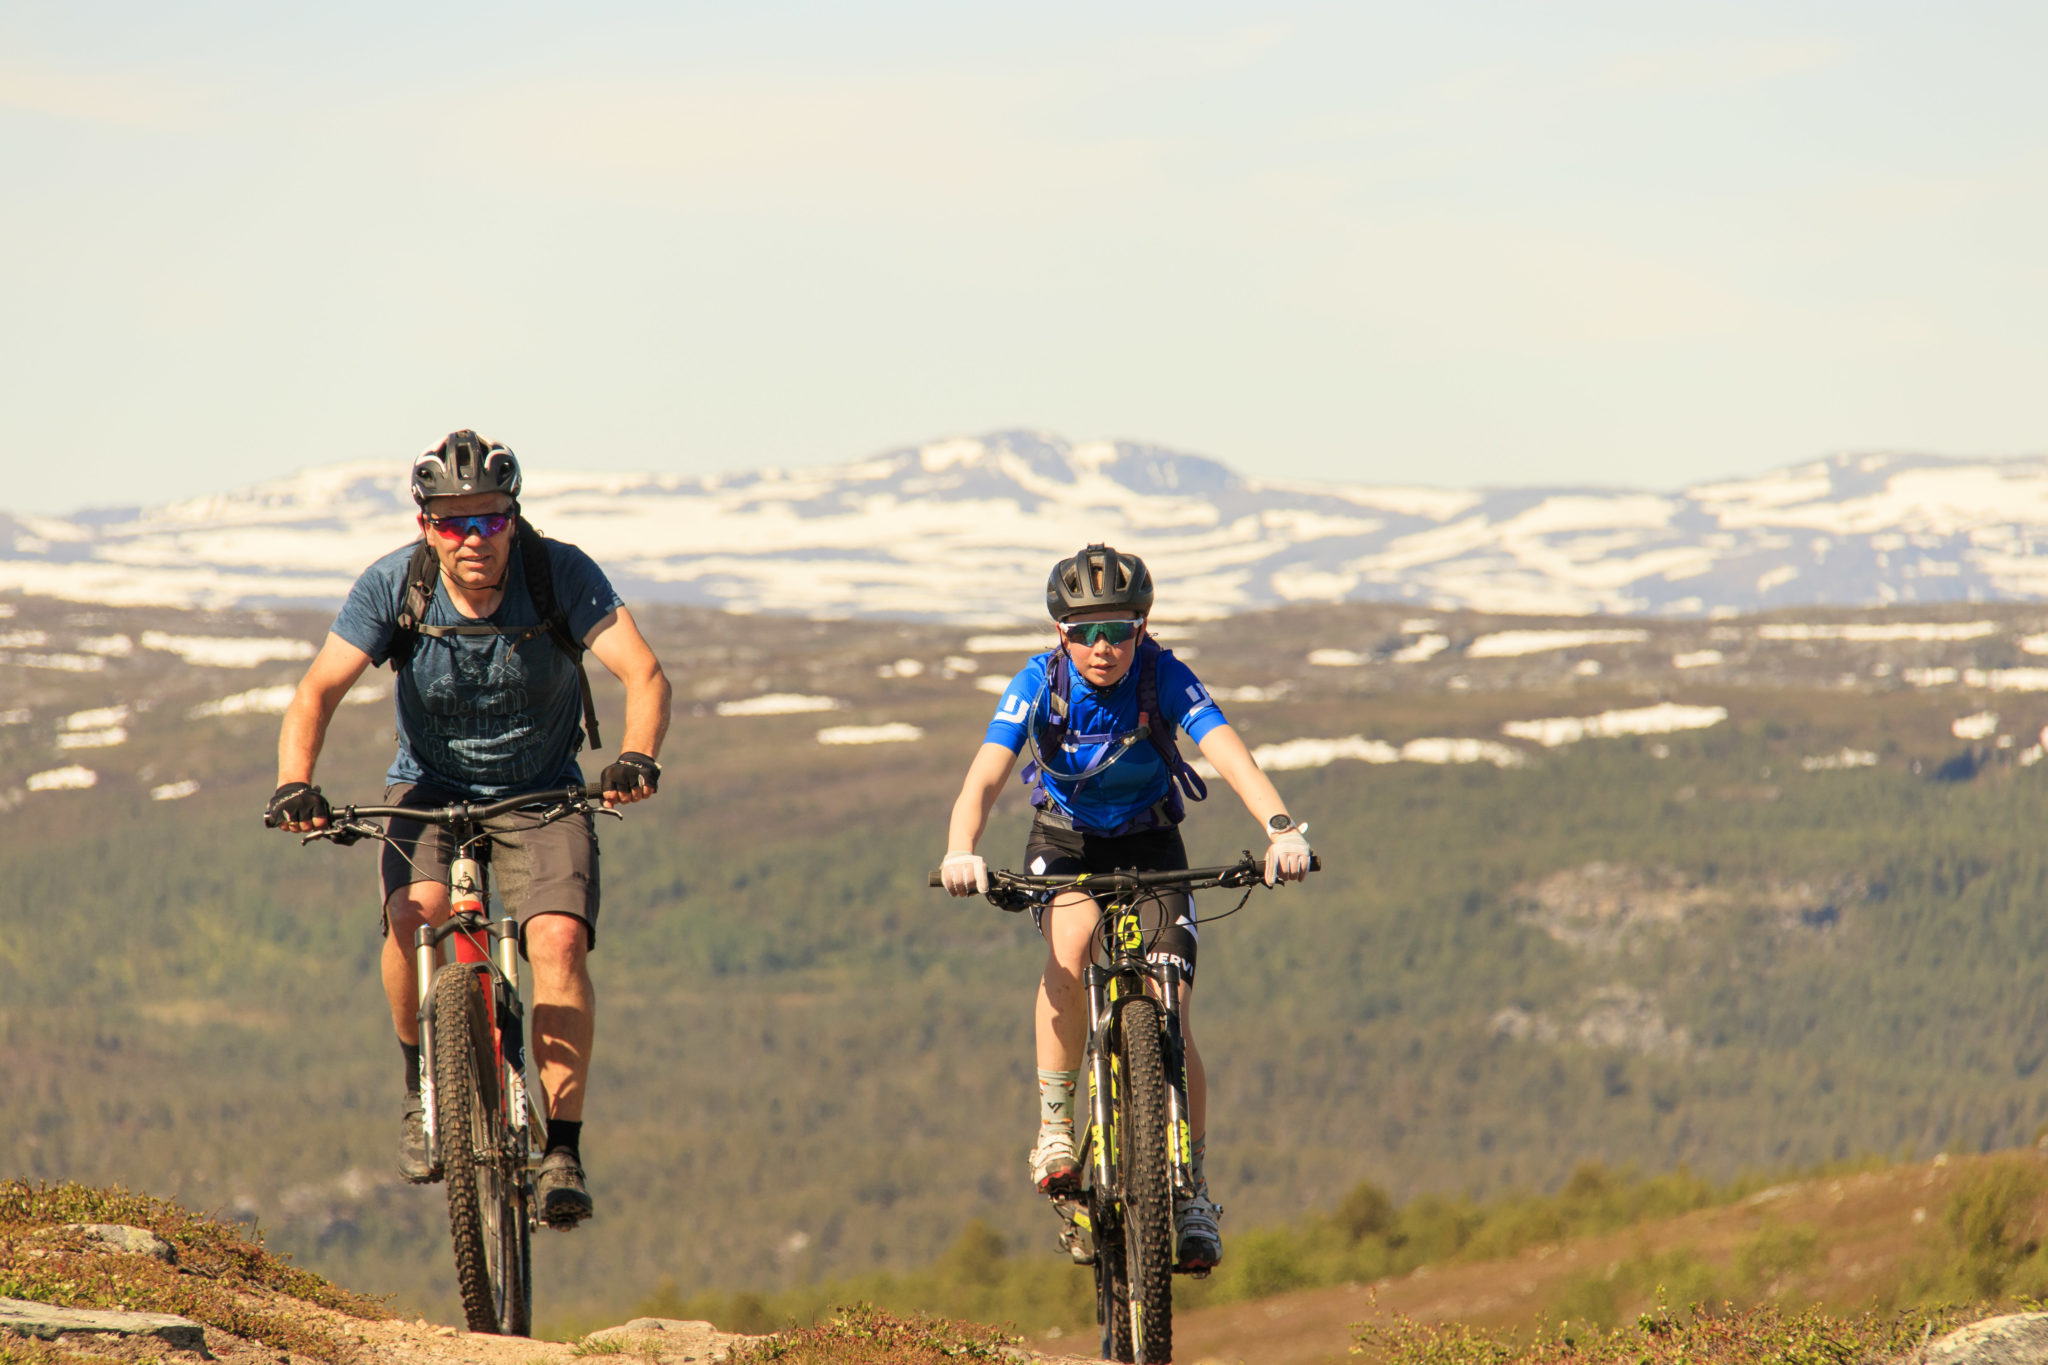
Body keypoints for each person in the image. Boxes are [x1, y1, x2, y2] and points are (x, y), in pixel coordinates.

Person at [266, 430, 672, 1229]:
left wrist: (636, 756)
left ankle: (562, 1148)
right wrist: (293, 782)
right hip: (428, 786)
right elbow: (316, 690)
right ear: (426, 526)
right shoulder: (395, 585)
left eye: (488, 520)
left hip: (542, 790)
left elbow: (644, 672)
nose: (472, 539)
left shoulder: (561, 574)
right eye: (454, 523)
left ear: (513, 519)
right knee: (411, 918)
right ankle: (422, 1088)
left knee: (556, 940)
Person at [939, 543, 1314, 1271]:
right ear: (1061, 634)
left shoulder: (1163, 675)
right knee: (1071, 941)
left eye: (1118, 628)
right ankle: (1055, 1125)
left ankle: (1194, 1188)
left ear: (1143, 628)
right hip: (1066, 841)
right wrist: (962, 848)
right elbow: (984, 775)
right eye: (1085, 631)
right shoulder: (1035, 683)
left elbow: (1229, 752)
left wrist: (1280, 829)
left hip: (1151, 844)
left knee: (1168, 992)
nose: (1102, 646)